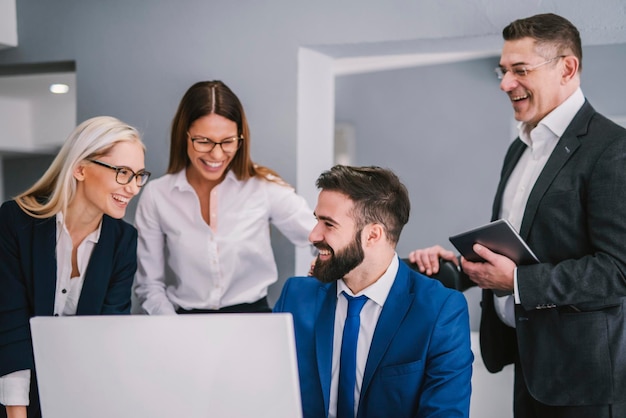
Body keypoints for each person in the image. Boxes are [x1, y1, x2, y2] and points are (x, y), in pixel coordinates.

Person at [409, 13, 626, 418]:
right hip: (528, 366)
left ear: (567, 68)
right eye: (503, 70)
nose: (505, 83)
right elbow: (526, 249)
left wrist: (518, 282)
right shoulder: (520, 150)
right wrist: (460, 267)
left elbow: (618, 270)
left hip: (584, 381)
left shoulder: (613, 149)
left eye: (520, 70)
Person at [274, 165, 473, 418]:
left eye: (329, 224)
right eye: (316, 220)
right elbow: (264, 391)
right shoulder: (295, 297)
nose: (313, 235)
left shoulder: (440, 312)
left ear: (373, 235)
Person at [0, 116, 150, 418]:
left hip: (78, 396)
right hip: (13, 397)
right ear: (80, 168)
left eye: (139, 175)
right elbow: (10, 329)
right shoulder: (15, 222)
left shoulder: (123, 241)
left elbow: (107, 338)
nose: (133, 188)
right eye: (123, 173)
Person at [134, 80, 315, 314]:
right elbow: (149, 285)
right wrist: (174, 328)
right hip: (184, 321)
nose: (217, 154)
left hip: (254, 320)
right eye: (204, 141)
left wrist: (327, 261)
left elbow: (320, 235)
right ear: (184, 136)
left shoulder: (263, 188)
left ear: (241, 138)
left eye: (228, 141)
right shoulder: (157, 195)